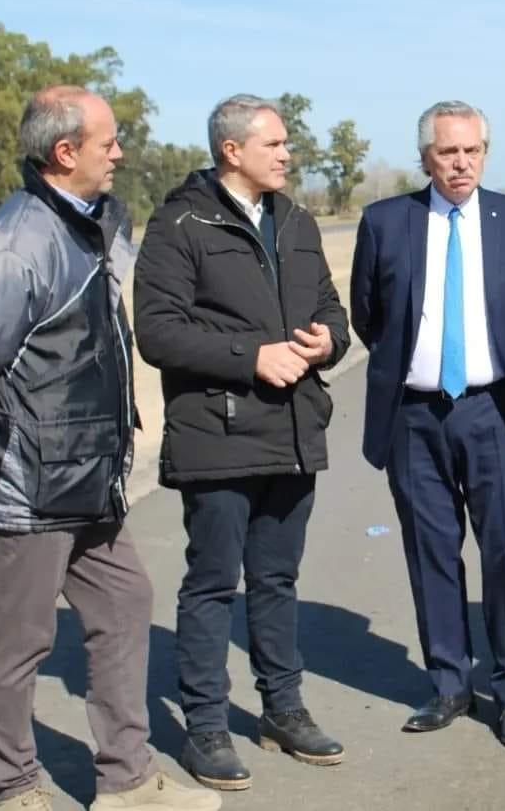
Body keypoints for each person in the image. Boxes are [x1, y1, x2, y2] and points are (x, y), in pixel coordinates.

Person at [0, 87, 218, 811]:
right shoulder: (18, 243)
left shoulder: (96, 221)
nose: (120, 152)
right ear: (65, 153)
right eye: (108, 142)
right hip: (30, 483)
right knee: (15, 645)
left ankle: (127, 779)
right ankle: (12, 784)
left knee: (124, 603)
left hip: (92, 474)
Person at [133, 96, 350, 791]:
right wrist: (249, 355)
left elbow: (330, 312)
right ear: (232, 150)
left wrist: (327, 341)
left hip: (292, 431)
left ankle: (282, 707)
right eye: (276, 143)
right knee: (211, 584)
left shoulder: (297, 219)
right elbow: (159, 332)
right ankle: (205, 726)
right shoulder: (180, 223)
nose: (289, 153)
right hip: (217, 433)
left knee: (278, 579)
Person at [349, 100, 505, 749]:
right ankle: (447, 683)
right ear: (425, 157)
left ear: (485, 153)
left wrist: (494, 367)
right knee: (430, 552)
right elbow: (368, 314)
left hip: (493, 411)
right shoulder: (386, 221)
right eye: (447, 151)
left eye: (471, 150)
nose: (460, 162)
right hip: (415, 415)